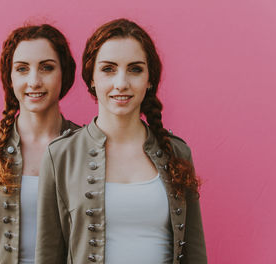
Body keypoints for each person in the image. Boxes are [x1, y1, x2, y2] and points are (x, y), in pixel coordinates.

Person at [35, 18, 207, 264]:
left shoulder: (177, 153)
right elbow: (48, 255)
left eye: (135, 69)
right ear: (91, 78)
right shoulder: (60, 155)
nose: (121, 83)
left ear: (149, 80)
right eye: (108, 69)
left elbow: (195, 255)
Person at [0, 24, 79, 264]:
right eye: (22, 69)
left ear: (64, 74)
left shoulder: (85, 147)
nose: (34, 81)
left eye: (46, 67)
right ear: (10, 78)